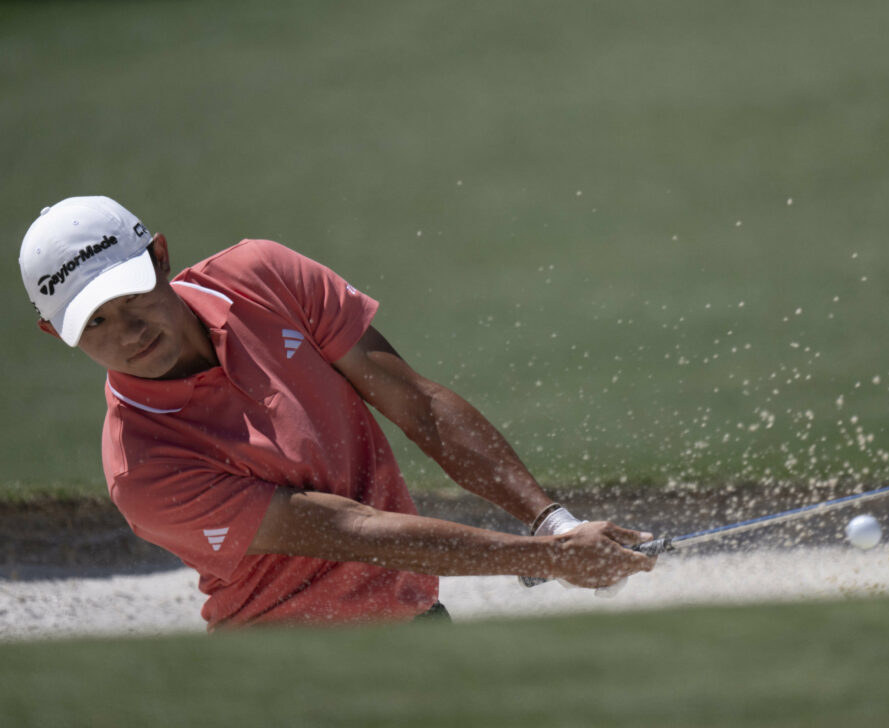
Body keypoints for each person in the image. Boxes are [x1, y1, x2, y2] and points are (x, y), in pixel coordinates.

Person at [18, 196, 656, 630]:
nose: (125, 331)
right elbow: (353, 531)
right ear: (56, 333)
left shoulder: (260, 276)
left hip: (413, 621)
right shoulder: (143, 469)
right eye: (93, 322)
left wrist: (553, 522)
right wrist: (552, 559)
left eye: (129, 297)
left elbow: (421, 406)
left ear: (158, 256)